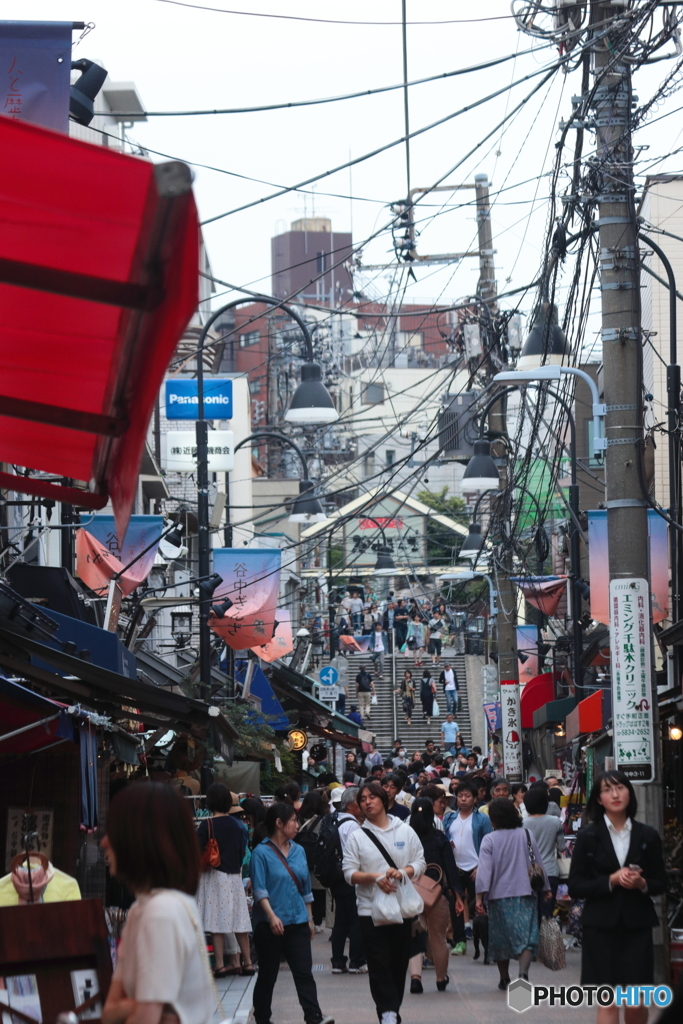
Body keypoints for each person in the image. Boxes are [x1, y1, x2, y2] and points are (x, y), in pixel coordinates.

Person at [101, 782, 215, 1024]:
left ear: (139, 839)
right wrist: (140, 1006)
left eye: (114, 831)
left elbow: (141, 1018)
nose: (104, 843)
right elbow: (109, 1012)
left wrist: (132, 1008)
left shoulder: (160, 913)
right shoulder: (141, 911)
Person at [568, 770, 667, 1024]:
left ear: (629, 793)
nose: (615, 794)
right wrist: (611, 880)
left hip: (637, 926)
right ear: (599, 798)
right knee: (607, 1001)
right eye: (607, 789)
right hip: (599, 927)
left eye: (620, 787)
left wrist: (642, 883)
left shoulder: (648, 835)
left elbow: (660, 882)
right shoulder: (588, 836)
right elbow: (576, 886)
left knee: (635, 1004)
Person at [342, 781, 426, 1024]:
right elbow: (349, 874)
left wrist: (403, 872)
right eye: (363, 799)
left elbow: (420, 862)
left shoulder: (405, 831)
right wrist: (375, 878)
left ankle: (392, 1009)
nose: (367, 802)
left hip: (401, 908)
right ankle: (387, 1013)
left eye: (372, 797)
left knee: (399, 961)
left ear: (384, 800)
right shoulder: (357, 837)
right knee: (379, 962)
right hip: (370, 910)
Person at [250, 802, 334, 1024]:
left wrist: (309, 919)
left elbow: (305, 887)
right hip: (270, 924)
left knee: (304, 972)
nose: (297, 825)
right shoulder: (260, 853)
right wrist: (271, 916)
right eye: (293, 821)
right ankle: (262, 1019)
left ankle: (314, 1016)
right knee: (268, 976)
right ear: (279, 823)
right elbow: (259, 889)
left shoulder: (298, 851)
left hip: (296, 921)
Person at [475, 798, 550, 990]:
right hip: (526, 893)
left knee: (501, 937)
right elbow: (538, 864)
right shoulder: (526, 834)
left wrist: (478, 897)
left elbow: (484, 871)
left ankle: (504, 977)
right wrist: (546, 888)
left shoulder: (489, 840)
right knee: (525, 936)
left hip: (498, 897)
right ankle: (523, 974)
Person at [407, 797, 465, 993]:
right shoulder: (439, 838)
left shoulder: (405, 838)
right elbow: (451, 869)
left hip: (410, 894)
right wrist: (458, 896)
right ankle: (441, 979)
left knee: (414, 936)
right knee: (438, 938)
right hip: (435, 894)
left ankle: (416, 978)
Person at [196, 783, 254, 978]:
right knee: (239, 921)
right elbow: (241, 853)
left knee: (216, 922)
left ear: (209, 802)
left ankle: (220, 965)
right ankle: (247, 963)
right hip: (234, 877)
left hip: (214, 877)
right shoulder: (239, 826)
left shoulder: (207, 824)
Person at [443, 780, 493, 956]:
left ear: (475, 798)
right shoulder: (449, 818)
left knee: (479, 906)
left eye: (467, 796)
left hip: (475, 868)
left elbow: (489, 844)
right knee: (455, 907)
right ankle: (460, 941)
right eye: (460, 796)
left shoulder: (482, 819)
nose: (463, 799)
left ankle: (486, 943)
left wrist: (481, 866)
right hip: (454, 867)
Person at [329, 786, 367, 975]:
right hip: (350, 876)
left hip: (336, 877)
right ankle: (357, 961)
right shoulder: (352, 825)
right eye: (361, 802)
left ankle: (337, 961)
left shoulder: (334, 820)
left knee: (340, 921)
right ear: (352, 804)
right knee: (355, 920)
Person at [523, 786, 566, 913]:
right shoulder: (555, 822)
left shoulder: (522, 824)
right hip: (550, 871)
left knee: (531, 913)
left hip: (528, 873)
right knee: (547, 913)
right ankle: (547, 933)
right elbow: (562, 847)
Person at [296, 790, 331, 932]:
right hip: (316, 861)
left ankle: (304, 918)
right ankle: (317, 922)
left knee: (302, 890)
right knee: (318, 893)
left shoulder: (297, 818)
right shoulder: (323, 820)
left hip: (300, 860)